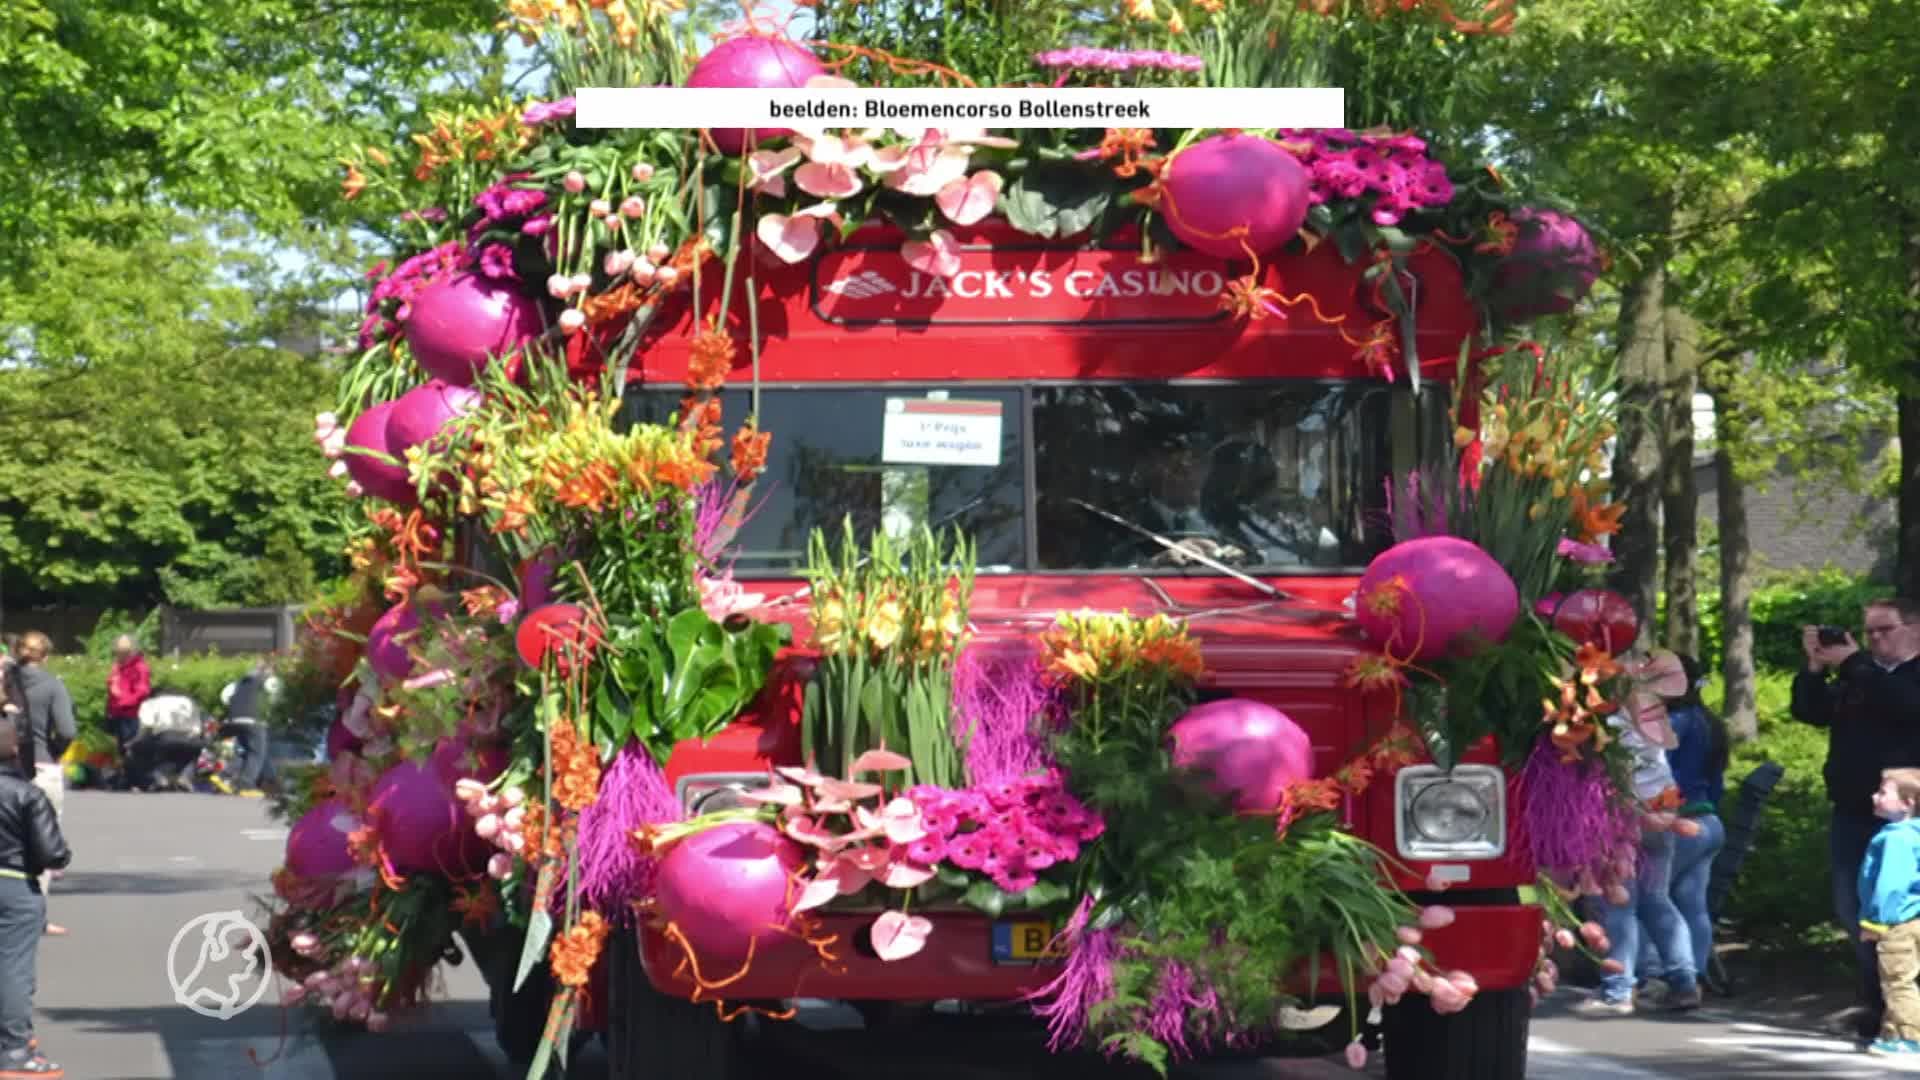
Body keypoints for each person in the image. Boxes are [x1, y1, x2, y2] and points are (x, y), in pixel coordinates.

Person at [1792, 598, 1920, 1041]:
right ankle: (1877, 1000)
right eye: (1869, 632)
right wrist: (1814, 669)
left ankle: (1902, 1003)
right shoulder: (1859, 676)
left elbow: (1906, 706)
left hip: (1907, 816)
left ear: (1914, 629)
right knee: (1855, 909)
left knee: (1903, 913)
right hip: (1852, 810)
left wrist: (1855, 663)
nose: (1875, 639)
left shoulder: (1897, 676)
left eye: (1885, 630)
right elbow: (1810, 712)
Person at [1577, 651, 1699, 1015]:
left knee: (1620, 904)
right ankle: (1684, 979)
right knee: (1657, 899)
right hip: (1664, 808)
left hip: (1625, 816)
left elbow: (1610, 774)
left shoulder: (1607, 725)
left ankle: (1618, 990)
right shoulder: (1652, 719)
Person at [1636, 653, 1729, 1005]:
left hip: (1679, 822)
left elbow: (1654, 773)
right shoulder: (1709, 722)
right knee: (1693, 903)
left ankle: (1658, 974)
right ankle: (1696, 972)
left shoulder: (1671, 724)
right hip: (1709, 820)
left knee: (1651, 898)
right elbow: (1716, 782)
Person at [0, 716, 68, 1078]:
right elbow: (52, 853)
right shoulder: (26, 794)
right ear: (14, 748)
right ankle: (13, 1049)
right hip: (14, 883)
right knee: (13, 969)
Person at [8, 637, 69, 940]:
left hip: (7, 765)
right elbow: (67, 729)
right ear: (44, 656)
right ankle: (37, 916)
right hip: (42, 765)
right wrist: (53, 752)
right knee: (42, 839)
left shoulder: (7, 680)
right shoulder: (52, 685)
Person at [1858, 767, 1920, 1061]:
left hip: (1897, 922)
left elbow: (1891, 885)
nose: (1875, 796)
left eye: (1883, 792)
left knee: (1897, 980)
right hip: (1914, 917)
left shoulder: (1897, 839)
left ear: (1908, 803)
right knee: (1906, 978)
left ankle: (1910, 1038)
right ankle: (1892, 1033)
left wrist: (1875, 921)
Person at [219, 661, 279, 796]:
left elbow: (225, 697)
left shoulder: (240, 682)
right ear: (267, 671)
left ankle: (224, 776)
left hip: (233, 719)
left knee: (244, 752)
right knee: (257, 753)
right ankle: (246, 785)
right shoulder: (267, 680)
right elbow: (275, 700)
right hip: (252, 720)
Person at [104, 636, 150, 789]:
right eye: (118, 652)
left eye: (124, 652)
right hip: (117, 712)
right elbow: (112, 686)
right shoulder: (119, 666)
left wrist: (123, 700)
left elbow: (142, 691)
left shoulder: (139, 667)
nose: (120, 655)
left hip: (131, 713)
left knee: (131, 747)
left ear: (132, 651)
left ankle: (136, 780)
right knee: (121, 748)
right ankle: (126, 778)